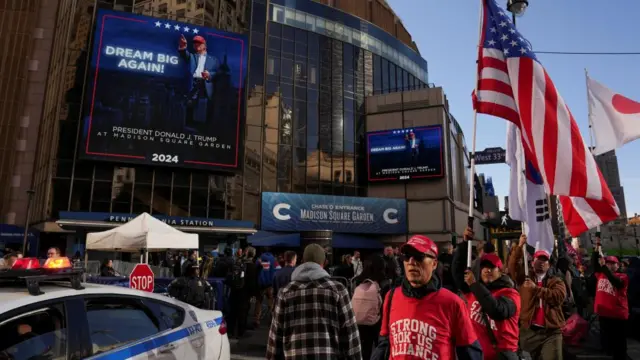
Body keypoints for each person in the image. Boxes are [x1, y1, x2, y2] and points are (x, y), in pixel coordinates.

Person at [372, 235, 482, 360]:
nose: (411, 262)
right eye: (407, 256)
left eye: (419, 256)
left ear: (434, 264)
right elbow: (384, 344)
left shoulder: (453, 303)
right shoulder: (391, 297)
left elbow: (470, 353)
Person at [266, 244, 361, 360]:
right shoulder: (338, 290)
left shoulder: (285, 292)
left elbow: (275, 336)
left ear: (302, 261)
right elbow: (350, 334)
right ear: (324, 263)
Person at [453, 228, 520, 360]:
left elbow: (497, 310)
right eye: (484, 267)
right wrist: (465, 244)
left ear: (500, 271)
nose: (487, 270)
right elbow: (457, 272)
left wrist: (474, 285)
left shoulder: (511, 293)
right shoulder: (474, 289)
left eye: (492, 267)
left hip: (501, 356)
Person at [508, 234, 566, 360]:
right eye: (538, 259)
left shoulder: (556, 281)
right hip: (529, 332)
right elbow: (512, 267)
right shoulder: (524, 278)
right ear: (532, 262)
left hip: (550, 332)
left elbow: (558, 297)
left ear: (549, 264)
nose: (541, 262)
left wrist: (536, 289)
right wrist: (519, 247)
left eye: (544, 260)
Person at [591, 239, 629, 360]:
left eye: (613, 263)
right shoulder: (601, 274)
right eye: (608, 263)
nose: (610, 265)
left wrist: (604, 268)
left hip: (617, 315)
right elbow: (594, 264)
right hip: (604, 314)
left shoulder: (623, 277)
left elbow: (616, 283)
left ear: (618, 265)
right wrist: (596, 250)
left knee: (619, 345)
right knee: (608, 344)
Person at [352, 255, 391, 360]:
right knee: (379, 347)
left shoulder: (359, 280)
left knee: (365, 348)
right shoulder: (383, 282)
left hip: (359, 320)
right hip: (377, 321)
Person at [178, 34, 218, 128]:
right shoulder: (192, 57)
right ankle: (188, 127)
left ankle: (202, 128)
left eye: (199, 43)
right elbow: (184, 54)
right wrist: (183, 47)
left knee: (204, 107)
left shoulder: (214, 60)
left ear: (204, 45)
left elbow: (217, 73)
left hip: (204, 84)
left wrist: (209, 75)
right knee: (189, 105)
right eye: (195, 43)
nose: (196, 45)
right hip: (193, 83)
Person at [255, 247, 277, 327]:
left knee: (259, 302)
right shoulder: (273, 259)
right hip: (270, 284)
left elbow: (256, 267)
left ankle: (257, 320)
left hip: (261, 284)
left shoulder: (260, 259)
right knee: (271, 302)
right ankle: (272, 320)